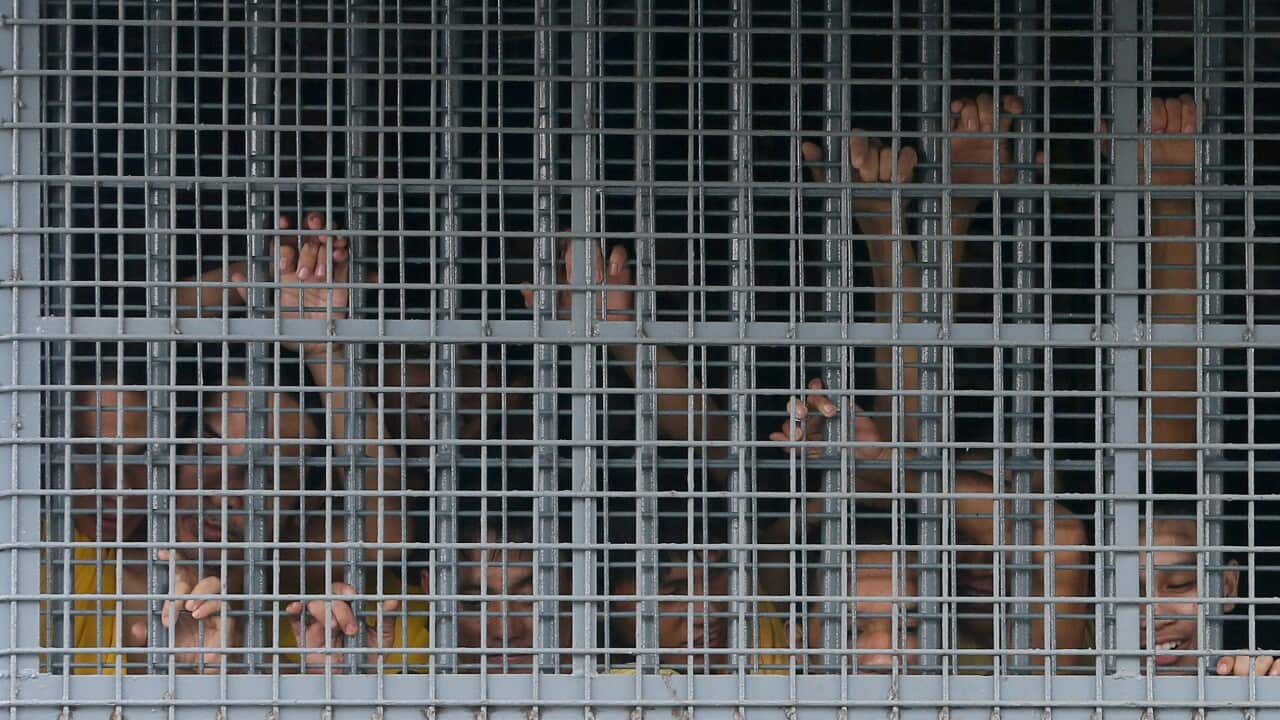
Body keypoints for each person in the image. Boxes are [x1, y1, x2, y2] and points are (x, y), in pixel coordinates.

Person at [608, 499, 790, 674]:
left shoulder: (758, 616)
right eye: (673, 593)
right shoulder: (592, 681)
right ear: (604, 600)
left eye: (715, 575)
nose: (708, 612)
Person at [1140, 500, 1278, 675]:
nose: (1153, 619)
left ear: (1226, 587)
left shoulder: (1253, 685)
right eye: (1130, 592)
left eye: (1178, 584)